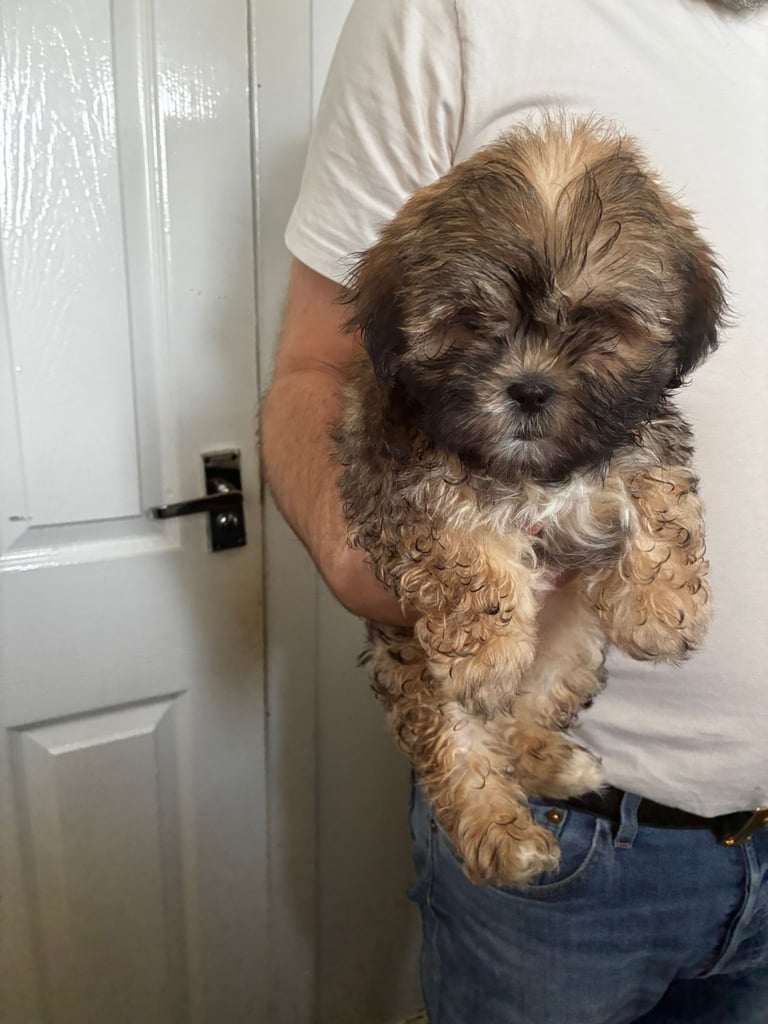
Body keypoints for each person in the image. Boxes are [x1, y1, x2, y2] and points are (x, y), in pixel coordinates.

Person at [260, 1, 768, 1021]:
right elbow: (319, 367)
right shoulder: (446, 13)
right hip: (581, 858)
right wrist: (410, 570)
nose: (535, 368)